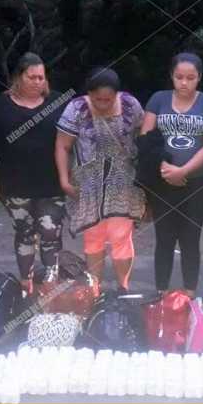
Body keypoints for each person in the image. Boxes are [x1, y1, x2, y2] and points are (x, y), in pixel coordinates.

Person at [0, 53, 68, 293]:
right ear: (18, 77)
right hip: (13, 183)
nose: (38, 82)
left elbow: (75, 135)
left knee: (50, 230)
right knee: (25, 231)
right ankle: (26, 283)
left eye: (41, 77)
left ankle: (50, 283)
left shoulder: (58, 102)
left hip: (51, 183)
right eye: (32, 77)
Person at [55, 67, 145, 290]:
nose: (103, 104)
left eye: (108, 99)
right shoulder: (76, 109)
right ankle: (94, 290)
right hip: (87, 184)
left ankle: (123, 288)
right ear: (89, 94)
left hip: (123, 183)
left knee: (121, 237)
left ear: (117, 94)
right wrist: (64, 181)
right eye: (98, 99)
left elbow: (144, 136)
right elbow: (62, 146)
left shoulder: (131, 105)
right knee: (93, 237)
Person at [141, 52, 203, 297]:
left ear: (199, 78)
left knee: (190, 239)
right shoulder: (158, 99)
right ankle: (161, 294)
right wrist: (165, 168)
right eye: (179, 77)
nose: (184, 83)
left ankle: (189, 295)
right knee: (164, 239)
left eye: (190, 78)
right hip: (162, 182)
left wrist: (183, 170)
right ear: (171, 76)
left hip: (197, 183)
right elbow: (146, 138)